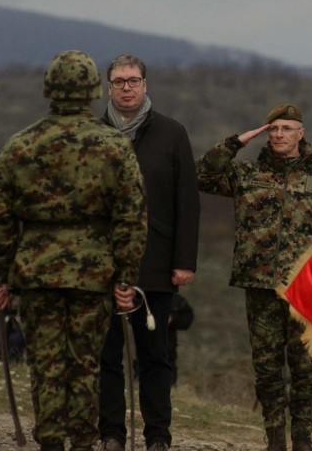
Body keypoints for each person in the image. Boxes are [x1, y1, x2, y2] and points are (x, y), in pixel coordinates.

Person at [0, 50, 148, 451]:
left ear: (49, 89)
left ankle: (52, 442)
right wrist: (126, 276)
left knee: (46, 366)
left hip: (36, 272)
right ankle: (83, 442)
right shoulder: (114, 146)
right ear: (94, 89)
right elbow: (131, 217)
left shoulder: (21, 145)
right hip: (93, 273)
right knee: (85, 365)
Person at [195, 103, 312, 451]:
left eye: (287, 129)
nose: (280, 135)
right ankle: (275, 435)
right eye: (274, 129)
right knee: (266, 367)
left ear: (300, 134)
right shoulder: (248, 174)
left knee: (304, 367)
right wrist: (235, 143)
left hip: (305, 288)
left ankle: (303, 437)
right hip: (260, 284)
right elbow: (201, 175)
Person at [97, 54, 200, 451]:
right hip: (100, 263)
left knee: (155, 356)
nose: (127, 87)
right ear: (108, 87)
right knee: (106, 355)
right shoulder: (93, 134)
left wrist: (184, 261)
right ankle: (111, 433)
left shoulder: (172, 133)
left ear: (145, 84)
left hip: (156, 262)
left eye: (133, 80)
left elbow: (186, 201)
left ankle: (158, 435)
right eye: (119, 81)